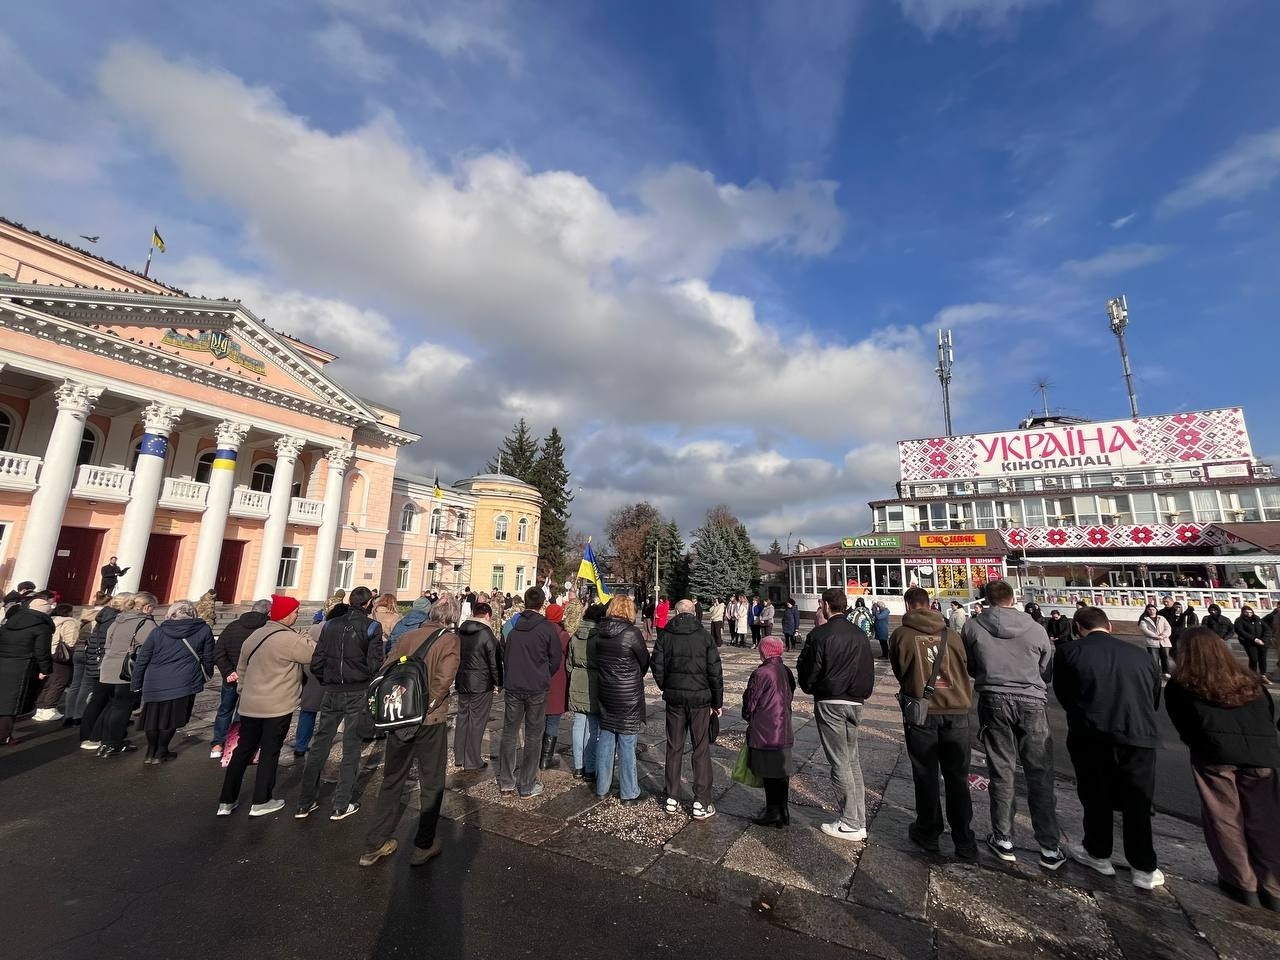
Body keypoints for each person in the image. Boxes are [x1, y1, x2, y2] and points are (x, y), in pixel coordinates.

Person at [1166, 626, 1280, 908]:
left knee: (1224, 818)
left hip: (1214, 755)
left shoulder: (1183, 685)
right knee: (1265, 820)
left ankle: (1241, 882)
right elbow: (1268, 714)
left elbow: (1183, 725)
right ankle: (1273, 886)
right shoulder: (1251, 681)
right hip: (1261, 755)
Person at [1054, 606, 1164, 889]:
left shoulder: (1069, 652)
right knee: (1138, 799)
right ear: (1110, 626)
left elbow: (1064, 694)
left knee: (1095, 794)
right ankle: (1144, 867)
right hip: (1138, 734)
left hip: (1092, 733)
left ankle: (1098, 852)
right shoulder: (1139, 654)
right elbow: (1153, 695)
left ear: (1077, 628)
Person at [961, 580, 1065, 867]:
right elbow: (1046, 669)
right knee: (1039, 771)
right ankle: (1049, 846)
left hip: (993, 698)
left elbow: (971, 665)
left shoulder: (973, 626)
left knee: (1001, 769)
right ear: (1013, 599)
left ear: (986, 599)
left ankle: (1003, 837)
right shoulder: (1036, 628)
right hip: (1032, 700)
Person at [358, 596, 461, 869]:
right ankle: (424, 844)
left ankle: (374, 843)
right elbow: (443, 682)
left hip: (399, 718)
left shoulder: (407, 636)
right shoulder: (449, 640)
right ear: (452, 617)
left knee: (392, 779)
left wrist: (400, 706)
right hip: (429, 720)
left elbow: (386, 669)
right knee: (432, 781)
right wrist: (423, 706)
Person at [890, 587, 976, 859]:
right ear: (929, 604)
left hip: (923, 711)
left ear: (908, 605)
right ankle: (964, 839)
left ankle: (928, 831)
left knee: (925, 774)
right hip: (957, 710)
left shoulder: (902, 635)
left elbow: (900, 670)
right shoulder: (952, 635)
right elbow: (965, 665)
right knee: (957, 776)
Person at [219, 596, 314, 815]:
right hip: (277, 705)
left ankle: (226, 800)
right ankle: (261, 800)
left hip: (250, 704)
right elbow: (313, 653)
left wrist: (244, 692)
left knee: (243, 750)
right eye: (295, 612)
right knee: (270, 751)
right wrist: (306, 636)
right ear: (286, 615)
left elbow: (242, 668)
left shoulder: (255, 635)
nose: (297, 615)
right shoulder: (289, 639)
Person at [297, 586, 384, 821]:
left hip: (332, 691)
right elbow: (376, 664)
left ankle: (305, 802)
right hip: (357, 691)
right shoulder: (371, 627)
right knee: (351, 746)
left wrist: (328, 680)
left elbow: (317, 661)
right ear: (368, 604)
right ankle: (341, 804)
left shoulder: (330, 625)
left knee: (320, 744)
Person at [797, 587, 875, 842]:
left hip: (831, 701)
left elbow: (809, 669)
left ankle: (850, 822)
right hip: (855, 701)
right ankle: (859, 821)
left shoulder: (821, 634)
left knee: (839, 762)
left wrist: (811, 687)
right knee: (852, 760)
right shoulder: (859, 634)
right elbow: (868, 669)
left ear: (827, 606)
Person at [651, 598, 723, 819]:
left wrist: (666, 685)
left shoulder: (666, 635)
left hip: (675, 699)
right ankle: (701, 801)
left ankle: (671, 797)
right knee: (700, 748)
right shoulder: (704, 636)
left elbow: (657, 665)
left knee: (674, 746)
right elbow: (715, 671)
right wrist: (717, 702)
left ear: (676, 612)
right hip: (700, 699)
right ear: (693, 612)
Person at [498, 586, 562, 798]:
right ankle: (526, 784)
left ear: (525, 602)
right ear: (542, 604)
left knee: (509, 732)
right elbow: (555, 659)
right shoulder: (547, 629)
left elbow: (504, 653)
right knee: (533, 735)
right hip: (536, 687)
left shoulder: (512, 626)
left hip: (514, 685)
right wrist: (543, 673)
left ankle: (506, 782)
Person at [130, 600, 214, 763]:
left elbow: (143, 658)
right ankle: (162, 751)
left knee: (152, 717)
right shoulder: (203, 629)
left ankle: (150, 752)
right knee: (172, 718)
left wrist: (136, 682)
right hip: (184, 679)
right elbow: (208, 656)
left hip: (155, 680)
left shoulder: (158, 631)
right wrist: (206, 675)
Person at [82, 592, 158, 757]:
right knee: (122, 708)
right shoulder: (145, 623)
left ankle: (99, 738)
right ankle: (113, 743)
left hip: (108, 667)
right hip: (127, 670)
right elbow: (153, 645)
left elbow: (108, 643)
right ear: (147, 607)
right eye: (153, 607)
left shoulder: (118, 620)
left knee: (111, 705)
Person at [591, 595, 650, 804]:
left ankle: (602, 786)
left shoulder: (600, 631)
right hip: (628, 694)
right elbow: (644, 661)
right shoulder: (632, 633)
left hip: (606, 690)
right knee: (627, 743)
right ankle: (629, 791)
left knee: (606, 739)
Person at [742, 634, 795, 828]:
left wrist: (748, 716)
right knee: (781, 773)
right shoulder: (785, 670)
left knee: (769, 774)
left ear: (764, 652)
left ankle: (773, 812)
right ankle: (783, 810)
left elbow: (751, 701)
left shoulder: (761, 673)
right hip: (784, 728)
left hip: (766, 730)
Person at [209, 599, 272, 760]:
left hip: (231, 678)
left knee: (225, 710)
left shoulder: (233, 626)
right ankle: (237, 745)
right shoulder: (267, 629)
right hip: (254, 679)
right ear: (268, 612)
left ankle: (217, 745)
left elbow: (218, 651)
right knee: (245, 713)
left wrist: (228, 671)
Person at [452, 601, 502, 771]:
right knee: (477, 721)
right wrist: (498, 682)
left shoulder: (461, 630)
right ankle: (472, 760)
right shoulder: (487, 634)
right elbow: (495, 662)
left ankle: (459, 756)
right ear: (488, 615)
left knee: (462, 718)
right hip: (481, 683)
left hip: (462, 680)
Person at [0, 593, 55, 745]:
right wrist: (45, 669)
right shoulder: (42, 627)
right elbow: (42, 651)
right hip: (22, 666)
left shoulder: (10, 622)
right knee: (11, 703)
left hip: (3, 662)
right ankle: (4, 735)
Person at [74, 593, 127, 733]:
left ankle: (84, 728)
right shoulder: (116, 620)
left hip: (95, 657)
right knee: (103, 699)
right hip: (107, 661)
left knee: (95, 696)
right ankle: (94, 734)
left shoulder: (103, 617)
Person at [567, 603, 604, 781]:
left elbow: (569, 662)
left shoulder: (575, 635)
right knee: (592, 726)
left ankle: (578, 767)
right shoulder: (600, 637)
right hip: (594, 680)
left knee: (578, 724)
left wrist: (574, 674)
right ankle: (590, 767)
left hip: (577, 678)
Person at [64, 593, 107, 727]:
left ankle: (68, 715)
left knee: (75, 684)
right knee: (86, 685)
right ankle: (78, 715)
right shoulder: (100, 619)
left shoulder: (84, 616)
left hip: (78, 650)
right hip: (90, 651)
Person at [32, 602, 79, 722]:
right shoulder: (69, 622)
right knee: (60, 681)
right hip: (60, 656)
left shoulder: (50, 620)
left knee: (48, 681)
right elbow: (71, 641)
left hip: (48, 652)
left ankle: (41, 707)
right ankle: (49, 708)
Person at [540, 603, 572, 770]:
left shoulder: (540, 631)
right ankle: (546, 758)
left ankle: (537, 753)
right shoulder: (563, 635)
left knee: (539, 717)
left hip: (539, 678)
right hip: (557, 680)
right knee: (553, 719)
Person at [1235, 607, 1271, 681]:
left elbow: (1267, 629)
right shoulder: (1239, 621)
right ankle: (1253, 675)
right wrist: (1255, 639)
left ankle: (1263, 675)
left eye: (1250, 612)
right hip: (1250, 643)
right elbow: (1241, 632)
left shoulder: (1257, 619)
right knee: (1254, 659)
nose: (1249, 614)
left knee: (1262, 659)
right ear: (1243, 612)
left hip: (1262, 642)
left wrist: (1264, 639)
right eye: (1246, 612)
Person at [1138, 604, 1173, 679]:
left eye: (1153, 609)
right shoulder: (1144, 620)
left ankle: (1166, 672)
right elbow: (1145, 630)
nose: (1151, 611)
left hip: (1164, 641)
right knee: (1154, 659)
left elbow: (1168, 628)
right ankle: (1156, 674)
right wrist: (1156, 636)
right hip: (1152, 642)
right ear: (1147, 610)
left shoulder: (1162, 618)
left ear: (1156, 610)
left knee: (1165, 657)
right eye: (1149, 609)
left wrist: (1163, 635)